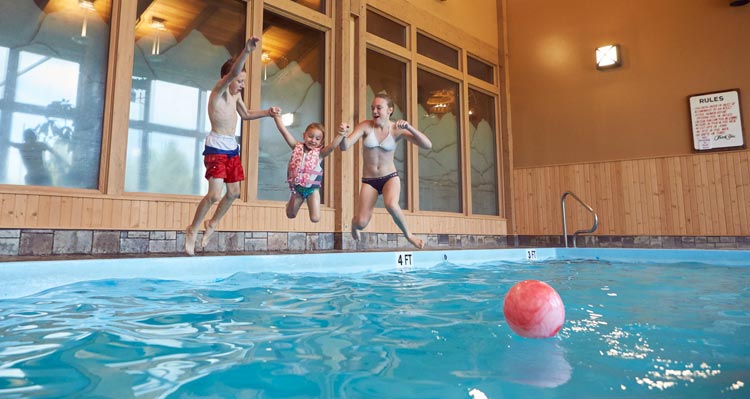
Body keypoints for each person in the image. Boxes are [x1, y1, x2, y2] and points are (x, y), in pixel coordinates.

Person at [185, 36, 280, 256]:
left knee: (234, 193)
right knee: (214, 195)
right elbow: (233, 74)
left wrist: (267, 112)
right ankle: (193, 228)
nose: (242, 85)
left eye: (244, 82)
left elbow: (245, 115)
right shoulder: (218, 92)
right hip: (216, 147)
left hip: (231, 149)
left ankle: (213, 223)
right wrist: (246, 51)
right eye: (240, 81)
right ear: (229, 79)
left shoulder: (236, 98)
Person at [339, 92, 432, 249]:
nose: (374, 111)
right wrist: (343, 135)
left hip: (389, 177)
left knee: (391, 205)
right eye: (372, 108)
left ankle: (409, 235)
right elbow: (345, 146)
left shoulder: (397, 129)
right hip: (370, 181)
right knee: (361, 222)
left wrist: (410, 127)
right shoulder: (365, 126)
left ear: (390, 110)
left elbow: (427, 145)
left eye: (379, 108)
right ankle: (354, 226)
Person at [272, 116, 349, 222]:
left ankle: (299, 203)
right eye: (310, 136)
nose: (313, 140)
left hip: (312, 190)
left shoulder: (320, 154)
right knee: (290, 215)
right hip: (297, 189)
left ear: (321, 142)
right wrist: (276, 117)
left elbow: (331, 147)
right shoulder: (296, 147)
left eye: (317, 139)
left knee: (315, 218)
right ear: (304, 135)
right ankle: (289, 204)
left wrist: (341, 133)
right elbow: (284, 132)